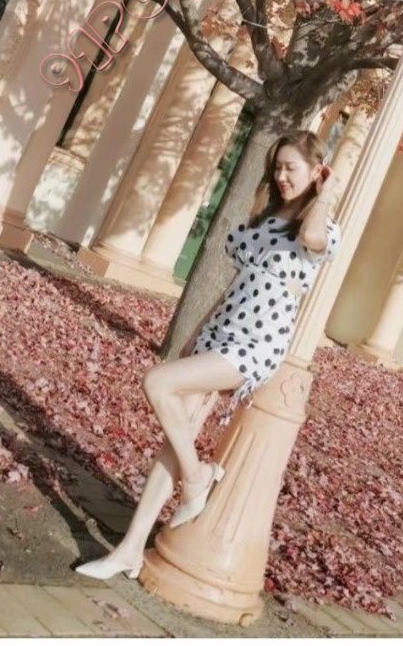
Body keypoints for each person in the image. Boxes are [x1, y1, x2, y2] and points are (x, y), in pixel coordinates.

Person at [74, 128, 341, 580]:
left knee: (157, 383)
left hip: (255, 347)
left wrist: (327, 192)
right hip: (219, 335)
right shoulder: (263, 222)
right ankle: (130, 550)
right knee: (173, 441)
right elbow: (233, 288)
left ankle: (197, 478)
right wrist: (195, 335)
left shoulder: (318, 228)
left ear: (316, 171)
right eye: (277, 168)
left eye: (291, 168)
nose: (281, 177)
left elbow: (314, 233)